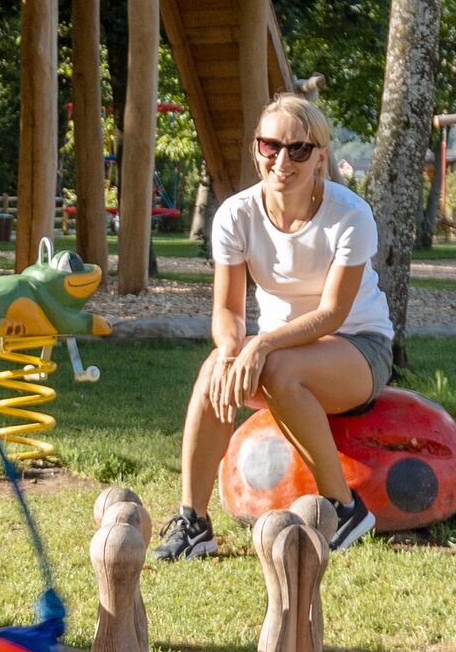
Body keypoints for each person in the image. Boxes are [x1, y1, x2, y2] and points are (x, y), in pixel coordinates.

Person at [154, 91, 394, 562]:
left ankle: (345, 507)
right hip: (277, 351)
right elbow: (226, 312)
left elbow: (332, 315)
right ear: (256, 150)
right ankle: (193, 522)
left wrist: (259, 344)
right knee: (211, 374)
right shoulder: (236, 215)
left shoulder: (350, 215)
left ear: (320, 157)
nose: (283, 160)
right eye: (271, 147)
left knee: (280, 370)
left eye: (298, 149)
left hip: (357, 347)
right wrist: (229, 351)